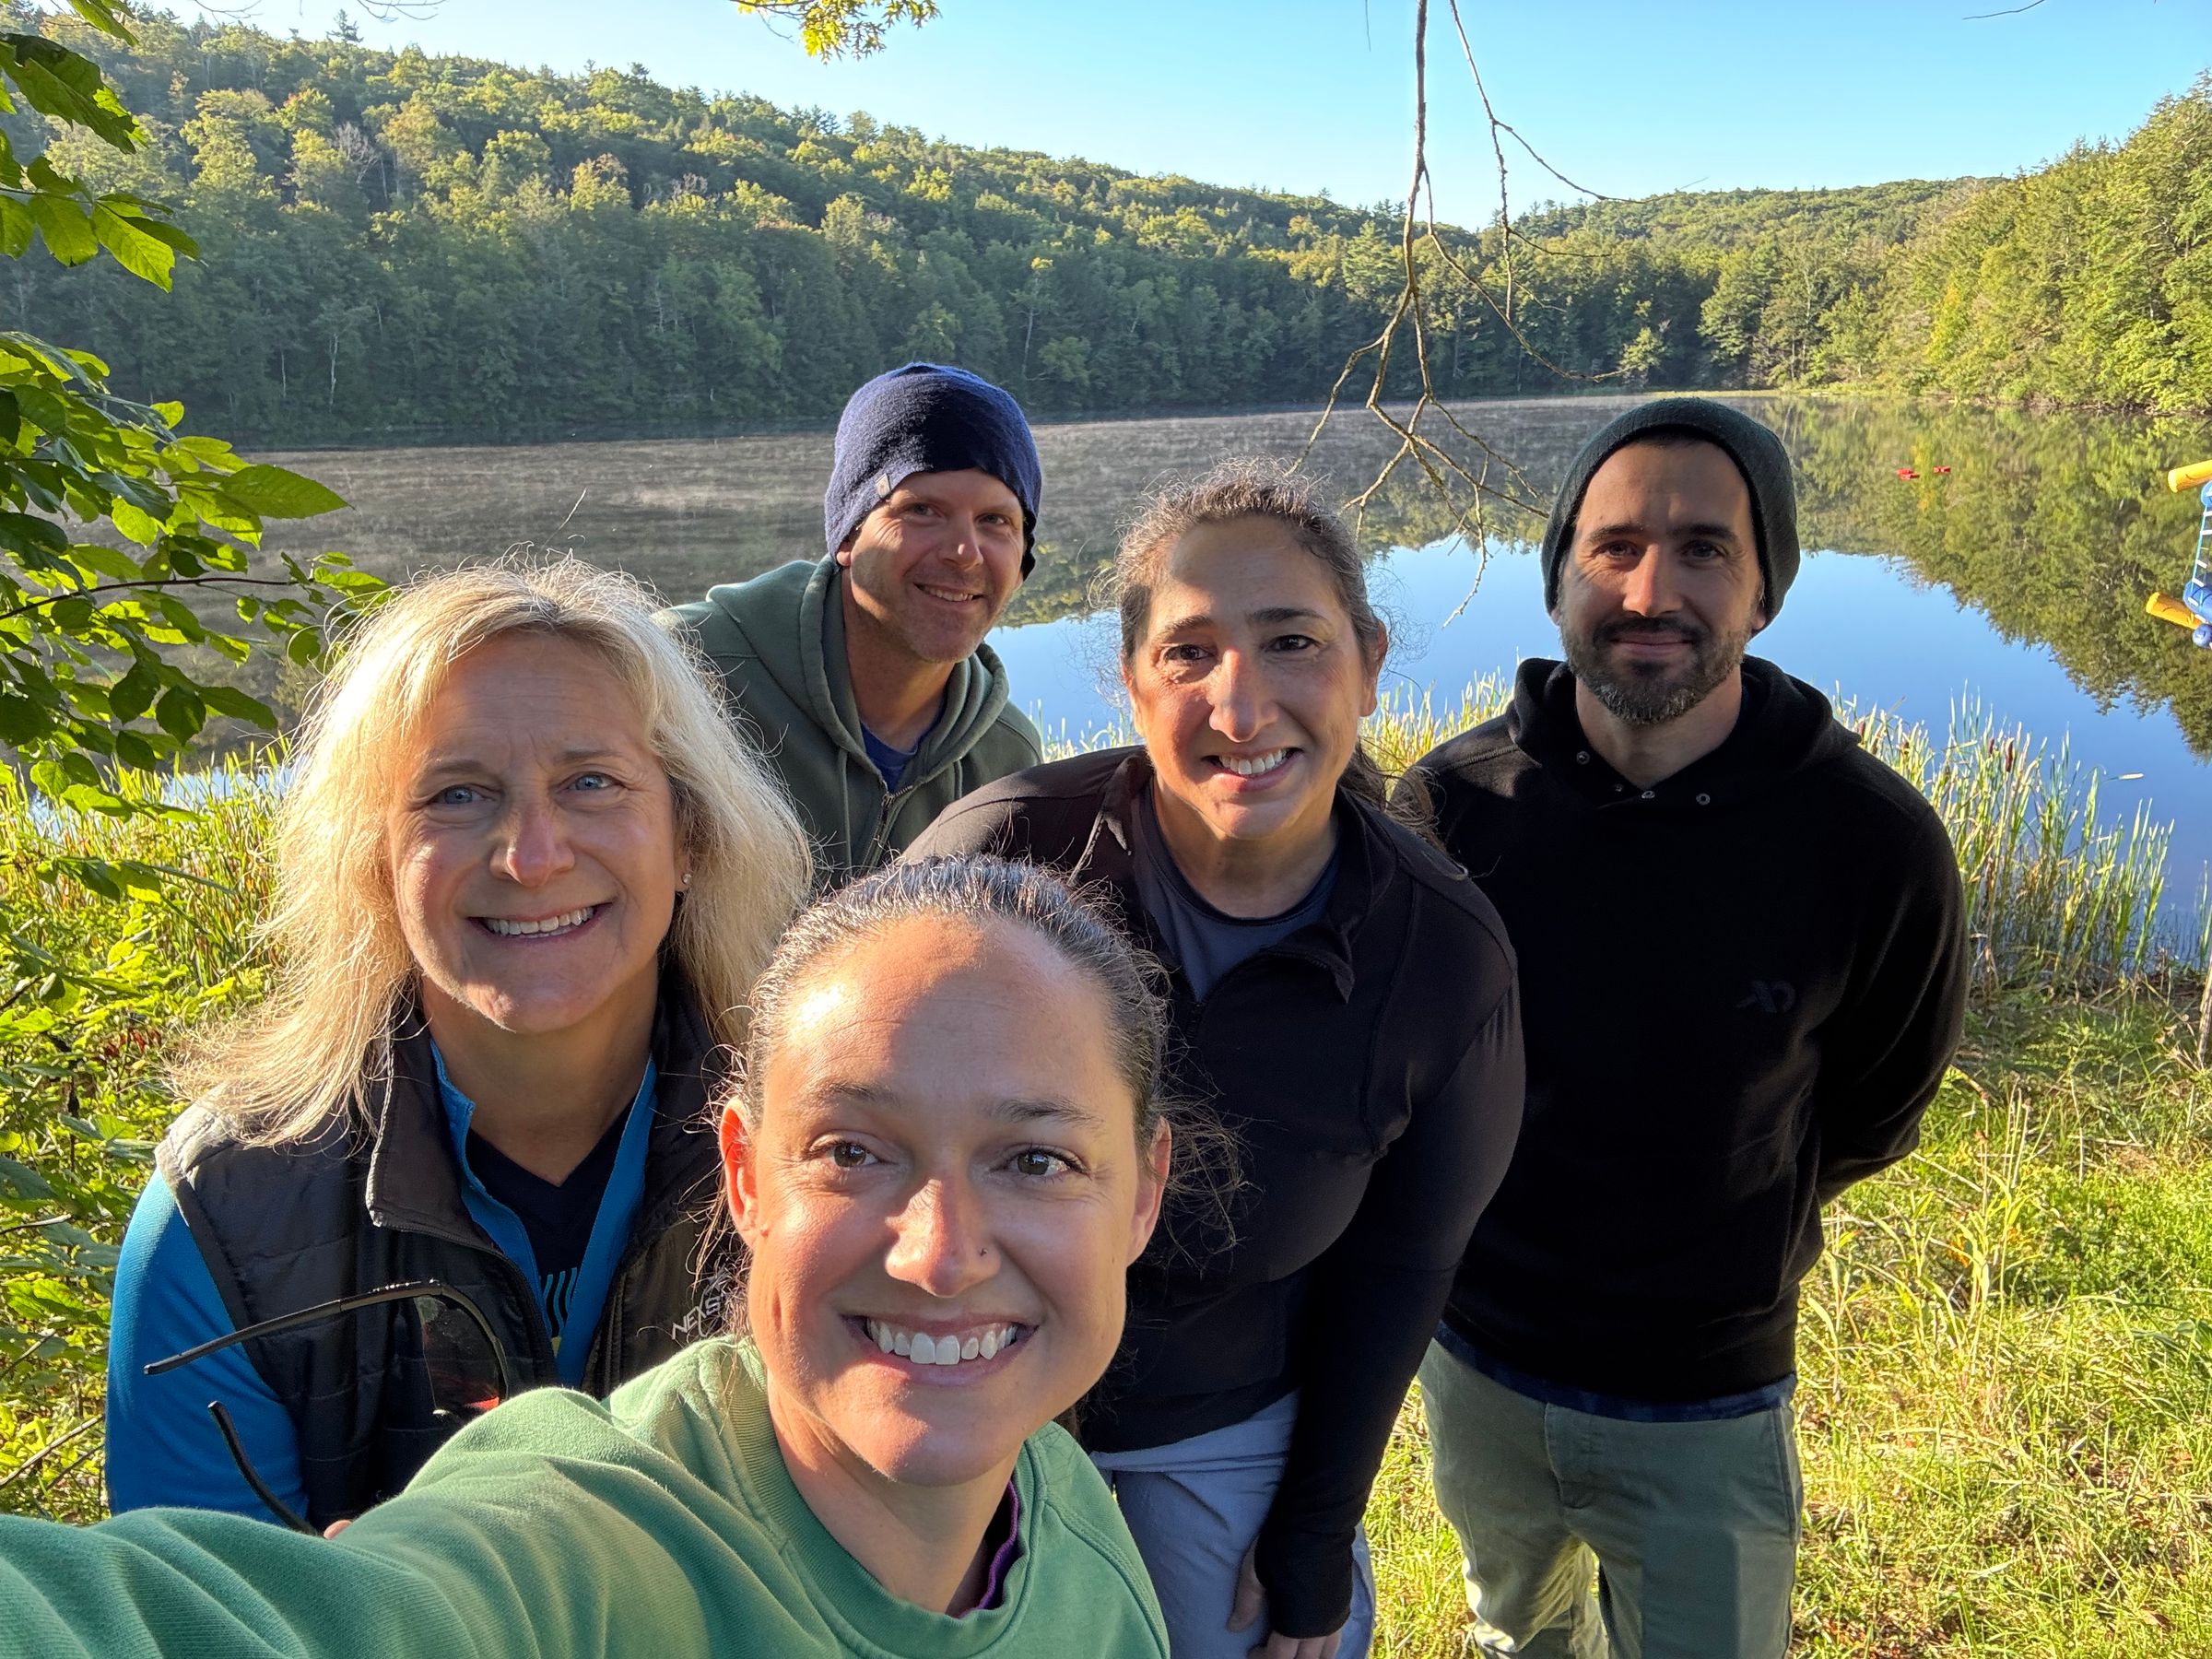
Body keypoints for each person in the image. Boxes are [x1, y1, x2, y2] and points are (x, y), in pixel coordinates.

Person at [1, 857, 1181, 1657]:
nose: (940, 1254)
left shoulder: (1074, 1532)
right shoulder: (590, 1545)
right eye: (854, 1152)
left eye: (1034, 1162)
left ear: (1143, 1192)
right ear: (748, 1177)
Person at [910, 459, 1525, 1659]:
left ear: (1369, 660)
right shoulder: (1001, 863)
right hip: (967, 1397)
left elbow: (1406, 1267)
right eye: (1189, 654)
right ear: (1133, 684)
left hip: (1225, 1426)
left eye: (1291, 641)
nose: (1241, 709)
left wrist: (1311, 1541)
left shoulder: (1443, 960)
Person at [1405, 398, 1968, 1659]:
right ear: (1559, 579)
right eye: (1614, 547)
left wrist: (1720, 1221)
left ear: (1765, 590)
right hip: (1480, 1363)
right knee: (1517, 1634)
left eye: (1706, 548)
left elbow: (1878, 1106)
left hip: (1706, 1390)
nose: (1652, 589)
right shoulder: (1448, 813)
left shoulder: (1872, 844)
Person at [102, 559, 814, 1528]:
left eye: (592, 782)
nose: (532, 856)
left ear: (690, 836)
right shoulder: (225, 1213)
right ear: (374, 861)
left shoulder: (825, 1155)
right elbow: (198, 1619)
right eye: (456, 795)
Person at [660, 361, 1046, 886]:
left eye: (995, 521)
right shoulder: (681, 670)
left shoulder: (1007, 758)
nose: (964, 552)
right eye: (922, 510)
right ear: (847, 536)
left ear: (1022, 561)